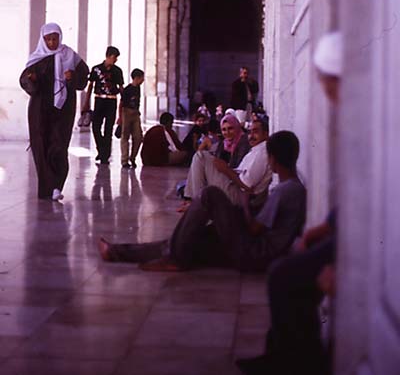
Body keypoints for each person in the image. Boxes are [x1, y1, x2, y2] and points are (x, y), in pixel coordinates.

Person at [236, 31, 342, 375]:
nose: (326, 89)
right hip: (342, 234)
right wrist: (328, 226)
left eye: (328, 81)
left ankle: (293, 360)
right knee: (288, 277)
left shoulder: (367, 123)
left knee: (283, 276)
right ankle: (285, 355)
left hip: (368, 247)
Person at [99, 130, 306, 273]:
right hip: (254, 250)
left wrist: (241, 204)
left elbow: (253, 229)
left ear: (272, 159)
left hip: (252, 254)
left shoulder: (285, 191)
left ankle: (175, 258)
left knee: (211, 195)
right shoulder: (293, 187)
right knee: (184, 241)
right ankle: (118, 252)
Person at [19, 22, 89, 200]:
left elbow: (83, 79)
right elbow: (25, 81)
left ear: (60, 37)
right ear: (43, 40)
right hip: (40, 110)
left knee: (58, 146)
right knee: (41, 145)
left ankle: (56, 186)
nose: (51, 43)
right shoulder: (37, 58)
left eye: (54, 38)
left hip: (63, 110)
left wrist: (72, 77)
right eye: (48, 39)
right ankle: (48, 189)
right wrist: (32, 79)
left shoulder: (70, 55)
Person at [183, 116, 269, 206]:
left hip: (238, 193)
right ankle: (194, 201)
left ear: (266, 134)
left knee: (200, 157)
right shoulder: (255, 149)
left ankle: (198, 204)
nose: (251, 136)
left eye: (255, 132)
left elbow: (246, 185)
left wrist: (226, 169)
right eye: (250, 132)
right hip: (233, 181)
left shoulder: (260, 150)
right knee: (201, 159)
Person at [82, 46, 124, 164]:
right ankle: (101, 150)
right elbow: (90, 86)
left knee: (108, 129)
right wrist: (86, 103)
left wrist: (124, 101)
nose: (115, 60)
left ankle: (105, 156)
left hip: (112, 101)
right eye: (114, 58)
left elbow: (121, 88)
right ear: (108, 56)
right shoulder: (96, 69)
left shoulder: (117, 71)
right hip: (99, 100)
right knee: (95, 127)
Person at [118, 68, 144, 169]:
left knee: (138, 137)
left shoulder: (138, 88)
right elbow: (121, 104)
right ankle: (124, 160)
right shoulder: (127, 89)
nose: (143, 80)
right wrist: (120, 117)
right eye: (142, 78)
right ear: (137, 78)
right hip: (126, 113)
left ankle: (132, 157)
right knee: (125, 136)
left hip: (135, 113)